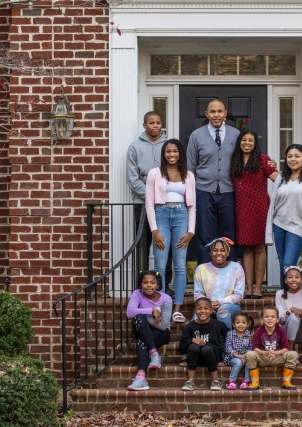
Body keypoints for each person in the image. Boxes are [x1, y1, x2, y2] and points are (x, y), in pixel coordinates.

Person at [145, 139, 195, 324]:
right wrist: (154, 230)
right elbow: (149, 203)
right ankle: (162, 306)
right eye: (168, 151)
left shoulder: (188, 175)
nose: (172, 154)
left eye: (175, 151)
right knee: (160, 265)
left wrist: (191, 231)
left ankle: (177, 308)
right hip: (161, 215)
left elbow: (193, 206)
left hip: (181, 215)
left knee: (180, 266)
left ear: (180, 153)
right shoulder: (155, 173)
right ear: (163, 154)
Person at [187, 99, 240, 263]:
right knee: (204, 235)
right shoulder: (196, 135)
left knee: (229, 236)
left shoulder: (236, 134)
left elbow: (244, 159)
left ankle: (229, 276)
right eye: (212, 111)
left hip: (229, 191)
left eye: (219, 111)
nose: (216, 115)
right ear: (207, 114)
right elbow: (190, 167)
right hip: (203, 191)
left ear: (225, 113)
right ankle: (205, 277)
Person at [126, 111, 173, 296]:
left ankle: (164, 285)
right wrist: (151, 196)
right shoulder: (135, 148)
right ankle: (142, 287)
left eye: (158, 122)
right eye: (151, 123)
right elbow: (133, 178)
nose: (155, 126)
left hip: (165, 205)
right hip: (143, 204)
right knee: (143, 247)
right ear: (144, 125)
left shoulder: (168, 146)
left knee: (165, 246)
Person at [266, 143, 302, 288]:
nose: (293, 159)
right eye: (289, 156)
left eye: (297, 156)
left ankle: (293, 297)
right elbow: (273, 203)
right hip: (279, 224)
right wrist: (268, 232)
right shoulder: (282, 176)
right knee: (282, 265)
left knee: (288, 264)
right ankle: (284, 299)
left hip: (298, 227)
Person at [230, 130, 278, 299]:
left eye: (251, 140)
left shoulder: (263, 159)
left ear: (255, 143)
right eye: (244, 140)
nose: (247, 143)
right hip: (242, 209)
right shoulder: (234, 160)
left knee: (259, 247)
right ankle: (248, 288)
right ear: (239, 142)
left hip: (260, 208)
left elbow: (278, 180)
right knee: (246, 248)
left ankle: (258, 288)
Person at [125, 270, 172, 391]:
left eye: (152, 282)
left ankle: (141, 377)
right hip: (141, 328)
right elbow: (130, 312)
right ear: (141, 284)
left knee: (141, 341)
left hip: (161, 333)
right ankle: (154, 354)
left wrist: (145, 317)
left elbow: (163, 325)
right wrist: (151, 311)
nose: (149, 285)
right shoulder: (137, 294)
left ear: (158, 285)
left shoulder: (166, 299)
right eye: (145, 282)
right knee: (138, 317)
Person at [193, 237, 245, 329]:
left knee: (222, 312)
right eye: (215, 250)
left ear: (228, 253)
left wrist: (220, 302)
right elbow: (198, 293)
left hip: (230, 306)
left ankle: (226, 341)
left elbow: (239, 295)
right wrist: (208, 305)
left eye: (222, 250)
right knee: (197, 316)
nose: (218, 253)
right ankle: (197, 342)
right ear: (210, 253)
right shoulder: (201, 269)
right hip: (207, 305)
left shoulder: (236, 268)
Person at [178, 297, 229, 391]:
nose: (202, 311)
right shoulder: (190, 326)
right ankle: (190, 381)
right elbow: (181, 347)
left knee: (207, 349)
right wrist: (192, 340)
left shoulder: (218, 324)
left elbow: (231, 336)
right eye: (199, 308)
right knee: (193, 347)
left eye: (206, 308)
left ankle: (216, 381)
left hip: (213, 357)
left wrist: (224, 357)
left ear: (211, 311)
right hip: (196, 359)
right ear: (195, 311)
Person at [245, 306, 299, 390]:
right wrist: (266, 353)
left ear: (277, 319)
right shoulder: (259, 330)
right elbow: (255, 348)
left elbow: (286, 348)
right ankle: (255, 382)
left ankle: (286, 381)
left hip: (277, 357)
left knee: (293, 354)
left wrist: (275, 353)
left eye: (272, 317)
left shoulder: (280, 330)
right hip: (263, 357)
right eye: (267, 317)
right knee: (249, 354)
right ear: (262, 320)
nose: (269, 319)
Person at [275, 265, 302, 366]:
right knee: (295, 317)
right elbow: (280, 319)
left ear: (301, 280)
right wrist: (290, 311)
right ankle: (289, 352)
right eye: (290, 277)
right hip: (287, 332)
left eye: (297, 277)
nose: (294, 280)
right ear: (285, 280)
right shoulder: (280, 294)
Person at [223, 311, 254, 390]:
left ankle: (246, 381)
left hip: (244, 357)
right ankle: (232, 381)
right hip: (232, 357)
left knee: (249, 360)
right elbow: (228, 347)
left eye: (243, 322)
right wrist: (237, 356)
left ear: (247, 324)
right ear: (234, 324)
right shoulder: (230, 333)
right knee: (238, 361)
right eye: (238, 322)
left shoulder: (249, 335)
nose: (240, 324)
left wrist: (245, 355)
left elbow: (250, 347)